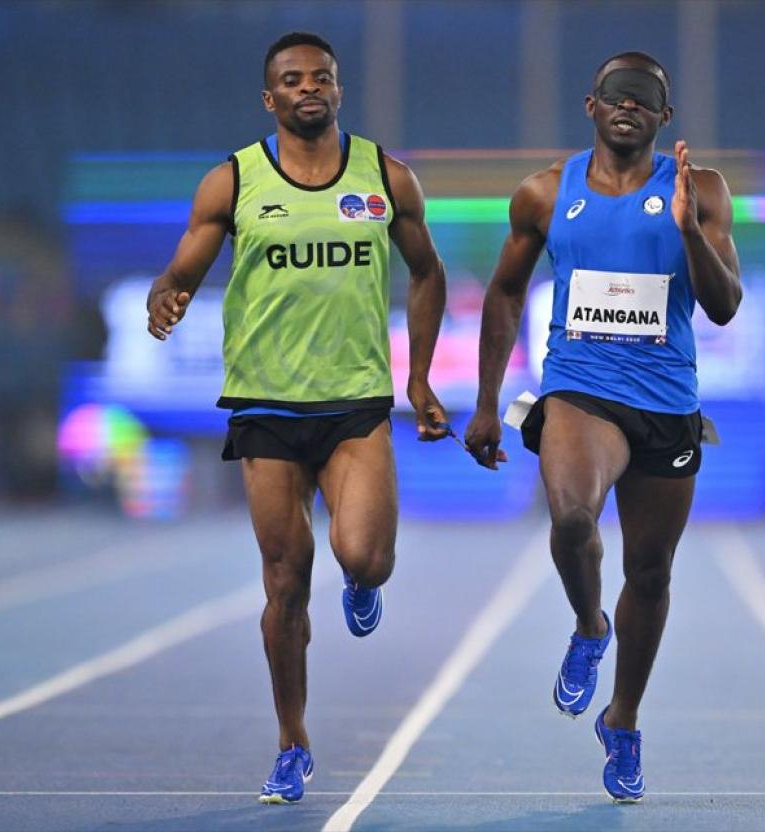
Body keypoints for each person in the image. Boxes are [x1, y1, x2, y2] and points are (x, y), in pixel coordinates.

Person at [146, 31, 450, 805]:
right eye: (292, 80)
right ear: (270, 97)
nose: (308, 88)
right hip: (268, 404)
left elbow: (426, 273)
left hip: (355, 403)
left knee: (365, 558)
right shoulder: (233, 181)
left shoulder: (387, 177)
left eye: (322, 78)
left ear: (340, 90)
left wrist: (417, 377)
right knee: (284, 582)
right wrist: (167, 296)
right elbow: (184, 266)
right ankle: (292, 743)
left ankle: (363, 579)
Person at [464, 51, 741, 802]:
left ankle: (623, 719)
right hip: (579, 389)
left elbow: (724, 305)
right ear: (591, 106)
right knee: (571, 519)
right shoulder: (545, 193)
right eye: (616, 97)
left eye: (644, 100)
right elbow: (505, 292)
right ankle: (589, 625)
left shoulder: (701, 191)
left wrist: (687, 230)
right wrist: (489, 402)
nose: (628, 107)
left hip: (666, 402)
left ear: (664, 118)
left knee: (650, 573)